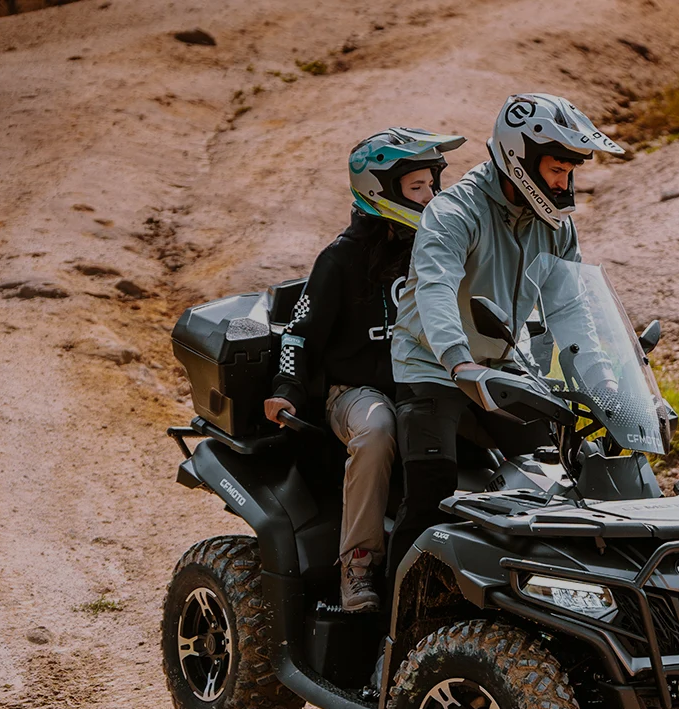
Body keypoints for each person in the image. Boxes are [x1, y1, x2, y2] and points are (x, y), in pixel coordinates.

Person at [387, 94, 625, 571]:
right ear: (520, 158)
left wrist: (606, 383)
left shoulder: (555, 225)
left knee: (552, 478)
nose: (564, 184)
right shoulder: (455, 211)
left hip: (499, 367)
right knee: (432, 491)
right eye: (556, 170)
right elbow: (436, 288)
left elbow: (570, 308)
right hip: (432, 366)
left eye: (568, 172)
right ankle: (387, 608)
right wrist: (458, 361)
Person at [266, 126, 465, 612]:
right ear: (379, 191)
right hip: (356, 392)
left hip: (425, 383)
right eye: (416, 187)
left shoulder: (437, 246)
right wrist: (286, 387)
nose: (431, 196)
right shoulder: (341, 258)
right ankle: (358, 564)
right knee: (378, 430)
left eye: (432, 184)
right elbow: (299, 331)